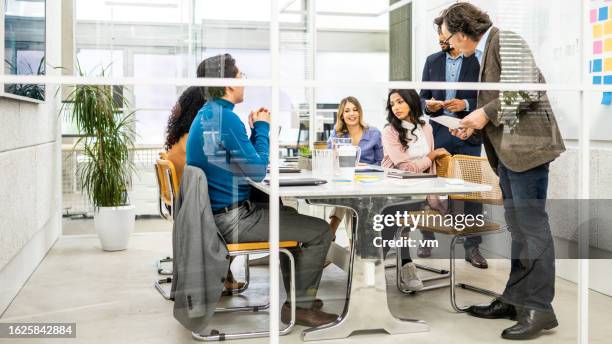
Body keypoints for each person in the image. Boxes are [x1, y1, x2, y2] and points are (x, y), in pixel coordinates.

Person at [441, 3, 565, 340]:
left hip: (527, 151)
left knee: (532, 229)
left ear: (462, 30)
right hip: (509, 154)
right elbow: (504, 103)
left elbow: (528, 88)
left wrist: (483, 115)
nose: (448, 47)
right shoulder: (486, 52)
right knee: (521, 230)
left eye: (447, 40)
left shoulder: (505, 39)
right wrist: (474, 123)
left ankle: (540, 308)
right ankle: (515, 299)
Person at [186, 53, 338, 327]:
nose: (244, 81)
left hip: (217, 217)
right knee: (321, 231)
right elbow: (256, 170)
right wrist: (264, 128)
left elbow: (242, 164)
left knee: (286, 212)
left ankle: (298, 297)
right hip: (232, 220)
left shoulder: (207, 114)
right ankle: (300, 307)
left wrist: (255, 131)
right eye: (240, 75)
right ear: (227, 83)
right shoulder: (225, 118)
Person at [419, 16, 488, 268]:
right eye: (439, 41)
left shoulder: (478, 60)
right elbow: (421, 99)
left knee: (470, 190)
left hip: (469, 129)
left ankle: (472, 247)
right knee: (432, 186)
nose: (442, 44)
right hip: (440, 131)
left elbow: (487, 99)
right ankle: (426, 239)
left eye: (445, 40)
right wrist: (429, 104)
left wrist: (465, 105)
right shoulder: (431, 61)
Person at [380, 89, 449, 291]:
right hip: (395, 189)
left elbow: (431, 169)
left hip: (421, 190)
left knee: (396, 218)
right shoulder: (389, 131)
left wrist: (433, 194)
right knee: (395, 216)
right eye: (393, 104)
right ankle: (405, 264)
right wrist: (432, 156)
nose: (396, 107)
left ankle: (379, 265)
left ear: (411, 102)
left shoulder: (426, 127)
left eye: (400, 101)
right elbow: (405, 169)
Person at [327, 96, 384, 239]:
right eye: (347, 111)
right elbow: (330, 158)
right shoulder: (337, 134)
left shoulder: (374, 133)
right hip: (346, 179)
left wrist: (368, 165)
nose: (352, 114)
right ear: (341, 115)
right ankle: (353, 245)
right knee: (348, 191)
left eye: (355, 110)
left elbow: (381, 162)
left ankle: (332, 228)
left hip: (369, 180)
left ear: (360, 112)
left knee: (348, 193)